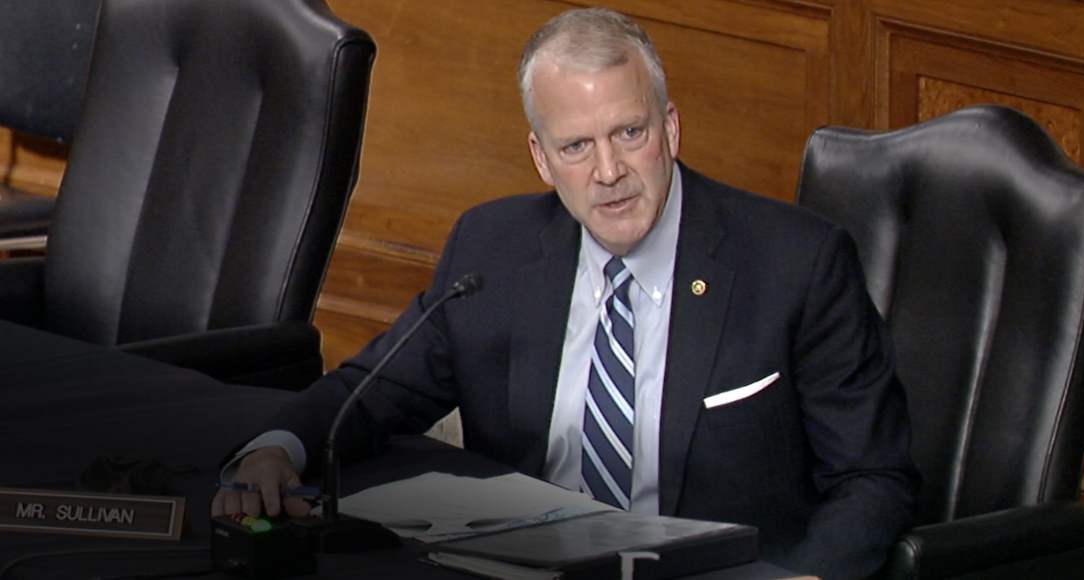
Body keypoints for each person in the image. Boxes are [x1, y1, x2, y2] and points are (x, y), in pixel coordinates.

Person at [212, 7, 917, 580]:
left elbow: (874, 478)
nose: (608, 171)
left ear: (670, 128)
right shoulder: (493, 249)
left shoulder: (795, 263)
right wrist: (279, 449)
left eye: (630, 133)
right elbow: (373, 391)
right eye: (576, 147)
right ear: (541, 159)